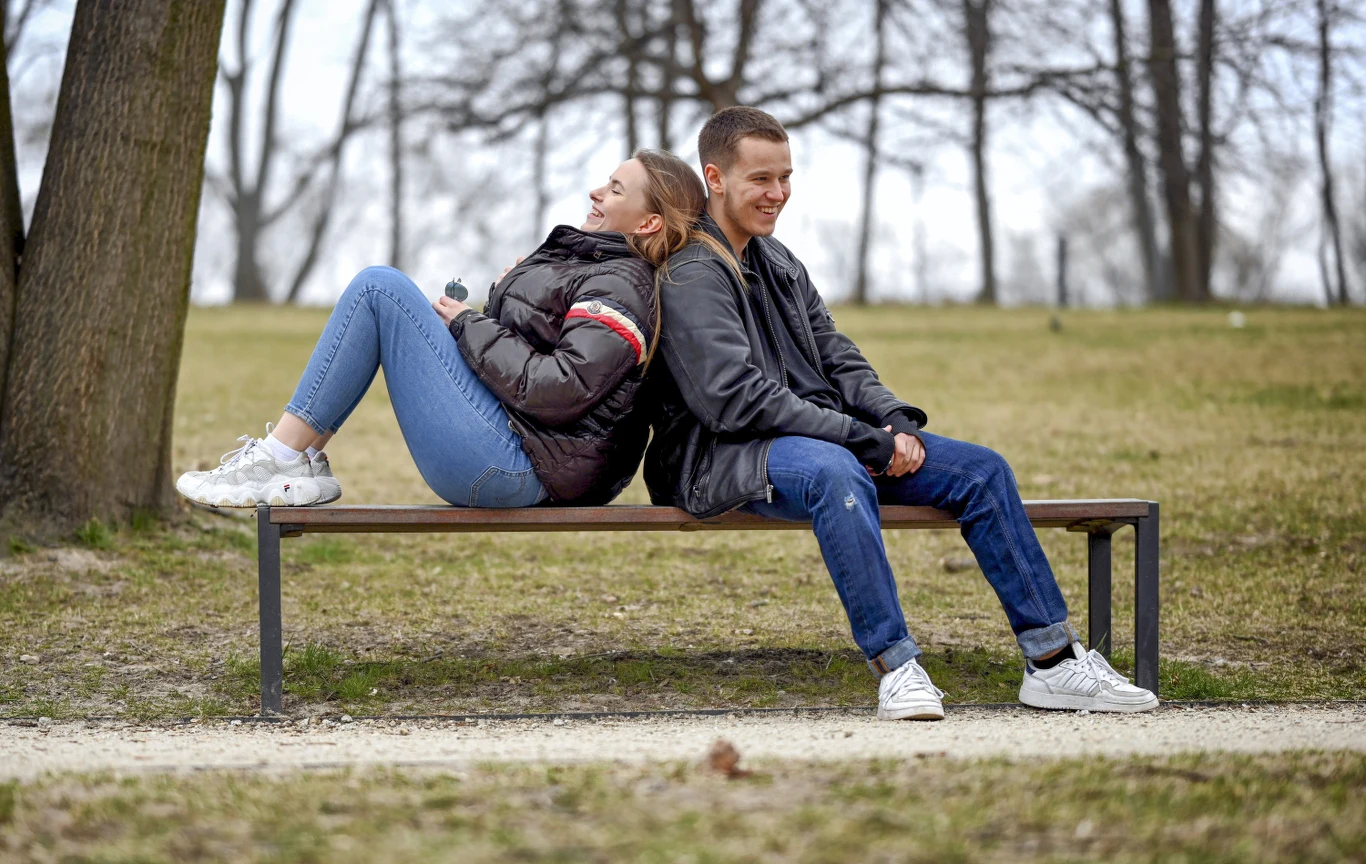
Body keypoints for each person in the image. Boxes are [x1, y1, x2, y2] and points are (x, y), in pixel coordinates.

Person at [643, 107, 1159, 719]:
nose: (777, 193)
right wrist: (865, 442)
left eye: (786, 177)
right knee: (836, 474)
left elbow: (837, 355)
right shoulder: (693, 271)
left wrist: (893, 422)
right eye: (761, 179)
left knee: (981, 471)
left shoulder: (776, 260)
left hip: (821, 440)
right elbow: (735, 399)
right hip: (723, 456)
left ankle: (1053, 663)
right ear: (716, 178)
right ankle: (897, 668)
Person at [177, 149, 707, 510]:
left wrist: (469, 323)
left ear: (648, 223)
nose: (596, 191)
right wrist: (501, 308)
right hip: (522, 451)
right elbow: (546, 365)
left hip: (520, 467)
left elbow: (559, 388)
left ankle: (279, 459)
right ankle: (299, 462)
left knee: (380, 288)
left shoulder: (622, 287)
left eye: (615, 189)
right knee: (381, 296)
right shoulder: (602, 271)